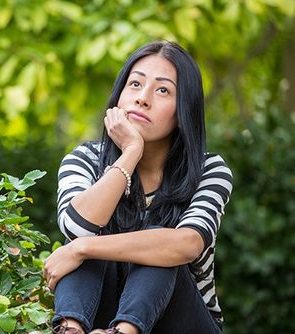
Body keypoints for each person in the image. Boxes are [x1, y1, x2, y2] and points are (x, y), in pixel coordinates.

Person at [42, 41, 233, 334]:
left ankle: (126, 331)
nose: (142, 99)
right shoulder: (84, 159)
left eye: (162, 90)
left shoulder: (209, 169)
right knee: (92, 237)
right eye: (135, 84)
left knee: (161, 245)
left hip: (184, 324)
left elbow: (187, 244)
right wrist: (130, 153)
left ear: (183, 110)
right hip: (100, 320)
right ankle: (70, 329)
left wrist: (82, 248)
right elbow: (77, 229)